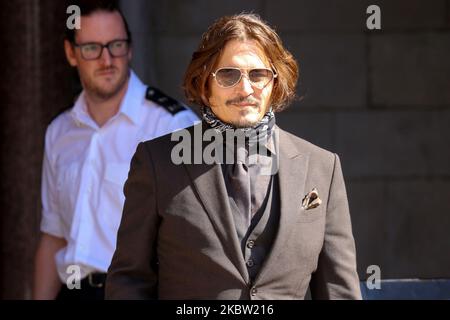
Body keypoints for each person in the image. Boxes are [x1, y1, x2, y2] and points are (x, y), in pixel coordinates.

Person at [105, 13, 361, 300]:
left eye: (258, 74)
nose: (246, 89)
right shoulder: (157, 162)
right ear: (204, 83)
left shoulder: (322, 168)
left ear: (275, 83)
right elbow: (129, 281)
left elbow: (339, 291)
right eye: (228, 74)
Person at [32, 0, 198, 300]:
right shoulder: (59, 131)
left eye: (116, 45)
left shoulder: (172, 126)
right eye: (92, 48)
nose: (107, 59)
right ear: (71, 53)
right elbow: (54, 236)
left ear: (130, 48)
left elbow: (196, 239)